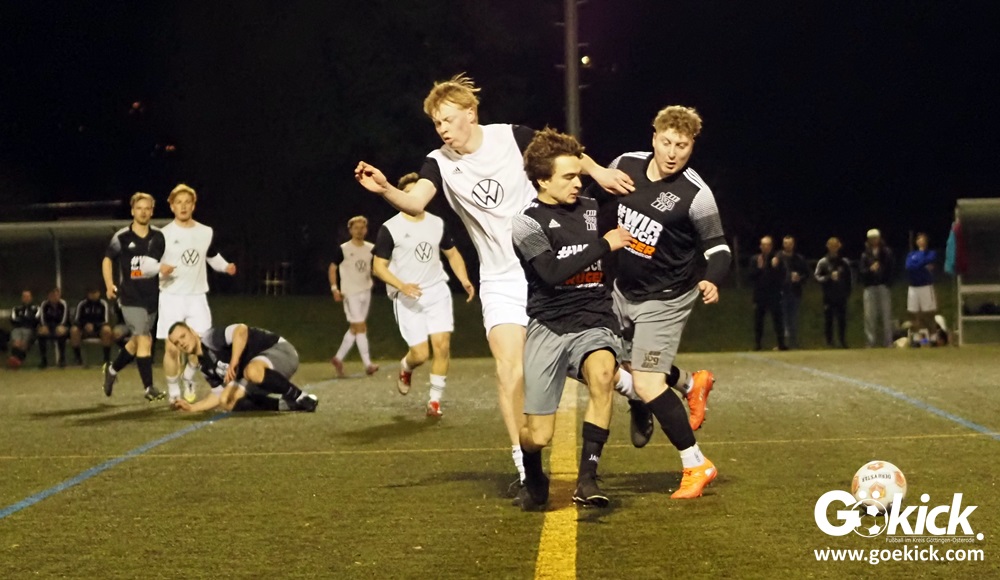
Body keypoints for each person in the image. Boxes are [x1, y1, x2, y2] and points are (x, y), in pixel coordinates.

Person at [354, 73, 633, 488]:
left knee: (578, 361)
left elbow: (560, 153)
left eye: (448, 119)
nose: (442, 129)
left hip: (544, 269)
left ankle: (635, 389)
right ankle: (525, 466)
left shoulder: (511, 137)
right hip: (500, 278)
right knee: (509, 370)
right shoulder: (439, 162)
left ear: (471, 113)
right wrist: (385, 189)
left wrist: (599, 172)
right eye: (436, 123)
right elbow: (414, 201)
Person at [591, 105, 731, 498]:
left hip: (666, 297)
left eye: (681, 146)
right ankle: (688, 383)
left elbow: (719, 249)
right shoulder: (626, 164)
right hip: (623, 289)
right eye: (666, 142)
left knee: (647, 381)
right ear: (653, 137)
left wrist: (712, 278)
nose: (672, 153)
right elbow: (596, 204)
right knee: (600, 362)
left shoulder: (696, 195)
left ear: (692, 147)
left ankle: (696, 464)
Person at [511, 128, 634, 510]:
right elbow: (550, 273)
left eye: (578, 175)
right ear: (542, 180)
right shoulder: (526, 223)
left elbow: (639, 200)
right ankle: (533, 472)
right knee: (538, 435)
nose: (577, 183)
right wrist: (604, 244)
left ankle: (588, 478)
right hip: (548, 325)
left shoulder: (593, 207)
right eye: (568, 177)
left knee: (603, 374)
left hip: (593, 317)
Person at [372, 173, 475, 417]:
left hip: (437, 291)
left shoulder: (437, 223)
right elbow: (378, 267)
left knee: (442, 346)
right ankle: (406, 367)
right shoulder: (391, 228)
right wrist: (402, 285)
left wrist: (464, 279)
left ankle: (434, 401)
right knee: (420, 355)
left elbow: (452, 253)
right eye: (407, 194)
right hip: (407, 297)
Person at [156, 184, 238, 403]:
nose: (183, 206)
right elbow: (149, 264)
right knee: (172, 348)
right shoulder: (162, 235)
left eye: (187, 202)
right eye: (178, 203)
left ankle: (189, 376)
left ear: (193, 205)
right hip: (171, 297)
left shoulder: (205, 232)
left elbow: (211, 255)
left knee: (200, 346)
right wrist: (160, 270)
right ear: (172, 206)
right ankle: (174, 394)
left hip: (197, 297)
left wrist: (225, 266)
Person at [166, 321, 318, 413]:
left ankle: (300, 396)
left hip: (281, 352)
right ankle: (288, 405)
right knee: (227, 401)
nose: (182, 343)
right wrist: (193, 407)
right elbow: (218, 395)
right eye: (177, 343)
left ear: (192, 332)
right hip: (256, 373)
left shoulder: (210, 337)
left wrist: (234, 361)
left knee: (251, 371)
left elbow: (241, 330)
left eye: (183, 336)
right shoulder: (204, 366)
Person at [102, 192, 168, 401]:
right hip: (130, 298)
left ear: (152, 211)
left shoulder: (159, 237)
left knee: (136, 343)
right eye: (139, 208)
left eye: (147, 208)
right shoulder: (121, 237)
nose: (143, 212)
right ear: (132, 211)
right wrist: (109, 284)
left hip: (152, 299)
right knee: (144, 339)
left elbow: (164, 264)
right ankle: (149, 388)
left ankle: (112, 370)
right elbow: (107, 259)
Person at [329, 216, 379, 377]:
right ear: (350, 230)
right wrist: (335, 289)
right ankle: (368, 364)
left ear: (366, 229)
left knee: (355, 328)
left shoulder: (371, 248)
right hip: (350, 292)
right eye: (356, 228)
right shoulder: (343, 249)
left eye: (362, 228)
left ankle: (338, 358)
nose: (359, 231)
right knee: (361, 327)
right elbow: (332, 268)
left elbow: (375, 267)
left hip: (366, 290)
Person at [750, 236, 787, 351]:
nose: (766, 247)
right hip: (760, 295)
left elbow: (782, 275)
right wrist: (759, 268)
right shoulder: (755, 259)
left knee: (778, 320)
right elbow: (750, 277)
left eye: (768, 245)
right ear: (760, 246)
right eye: (763, 245)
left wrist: (775, 267)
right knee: (758, 321)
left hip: (774, 294)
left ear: (771, 246)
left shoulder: (777, 259)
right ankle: (758, 345)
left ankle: (781, 344)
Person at [814, 236, 852, 348]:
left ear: (839, 247)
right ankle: (829, 342)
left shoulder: (844, 262)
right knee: (829, 320)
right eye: (831, 246)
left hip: (841, 296)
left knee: (842, 320)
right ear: (828, 247)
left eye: (835, 246)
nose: (833, 248)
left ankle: (842, 341)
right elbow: (817, 277)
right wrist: (828, 278)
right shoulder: (823, 262)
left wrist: (847, 292)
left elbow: (849, 279)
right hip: (828, 296)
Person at [860, 228, 895, 347]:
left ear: (879, 239)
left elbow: (891, 269)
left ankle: (888, 342)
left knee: (886, 315)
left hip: (883, 286)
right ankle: (870, 342)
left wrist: (888, 283)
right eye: (871, 238)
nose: (874, 240)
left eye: (876, 238)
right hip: (870, 287)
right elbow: (862, 272)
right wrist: (870, 270)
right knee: (869, 316)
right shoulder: (865, 255)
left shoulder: (886, 253)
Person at [779, 235, 809, 349]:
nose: (788, 245)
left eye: (790, 243)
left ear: (793, 244)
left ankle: (793, 343)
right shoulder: (778, 258)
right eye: (786, 243)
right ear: (783, 244)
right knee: (782, 319)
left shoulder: (799, 259)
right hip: (781, 292)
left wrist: (799, 278)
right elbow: (773, 274)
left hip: (795, 292)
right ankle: (783, 344)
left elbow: (807, 274)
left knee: (793, 319)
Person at [70, 288, 113, 366]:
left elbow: (106, 321)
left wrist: (95, 326)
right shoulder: (82, 304)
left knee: (107, 330)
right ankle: (78, 359)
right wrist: (85, 325)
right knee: (74, 330)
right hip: (84, 330)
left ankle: (106, 359)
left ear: (99, 293)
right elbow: (76, 320)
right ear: (88, 294)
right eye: (91, 293)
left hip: (99, 330)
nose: (93, 295)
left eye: (95, 293)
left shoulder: (103, 304)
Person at [905, 232, 938, 334]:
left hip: (925, 286)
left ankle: (932, 336)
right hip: (913, 287)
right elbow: (909, 266)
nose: (921, 241)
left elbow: (929, 260)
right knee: (914, 313)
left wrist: (918, 264)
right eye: (919, 239)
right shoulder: (911, 254)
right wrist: (922, 265)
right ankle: (918, 337)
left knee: (928, 313)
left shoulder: (931, 253)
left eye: (923, 239)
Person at [37, 287, 69, 368]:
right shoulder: (44, 304)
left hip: (61, 326)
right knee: (41, 333)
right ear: (48, 296)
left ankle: (62, 359)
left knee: (61, 332)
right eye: (52, 295)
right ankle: (44, 360)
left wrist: (61, 326)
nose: (54, 297)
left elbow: (65, 318)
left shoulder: (63, 304)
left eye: (56, 295)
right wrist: (44, 326)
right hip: (49, 326)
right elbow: (42, 318)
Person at [7, 290, 39, 369]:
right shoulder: (16, 309)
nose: (26, 298)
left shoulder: (36, 308)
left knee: (24, 343)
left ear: (31, 298)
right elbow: (13, 320)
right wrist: (26, 319)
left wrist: (23, 319)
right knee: (17, 342)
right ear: (22, 298)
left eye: (28, 296)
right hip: (17, 329)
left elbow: (35, 320)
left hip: (30, 329)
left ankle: (17, 361)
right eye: (24, 297)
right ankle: (17, 361)